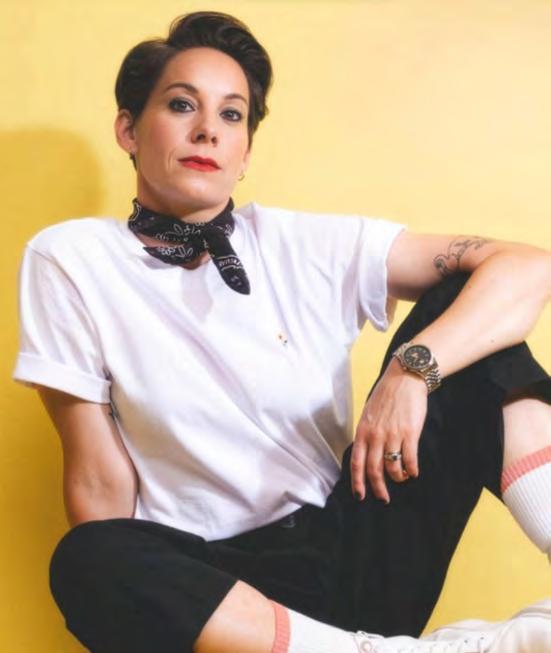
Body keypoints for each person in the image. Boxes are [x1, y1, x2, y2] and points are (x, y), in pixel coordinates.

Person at [12, 10, 551, 653]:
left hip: (354, 548)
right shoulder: (70, 259)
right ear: (128, 129)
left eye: (232, 115)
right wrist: (127, 585)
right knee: (88, 555)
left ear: (245, 154)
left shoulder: (303, 244)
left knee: (464, 303)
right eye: (181, 105)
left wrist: (412, 370)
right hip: (223, 594)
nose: (208, 130)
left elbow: (528, 269)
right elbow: (99, 484)